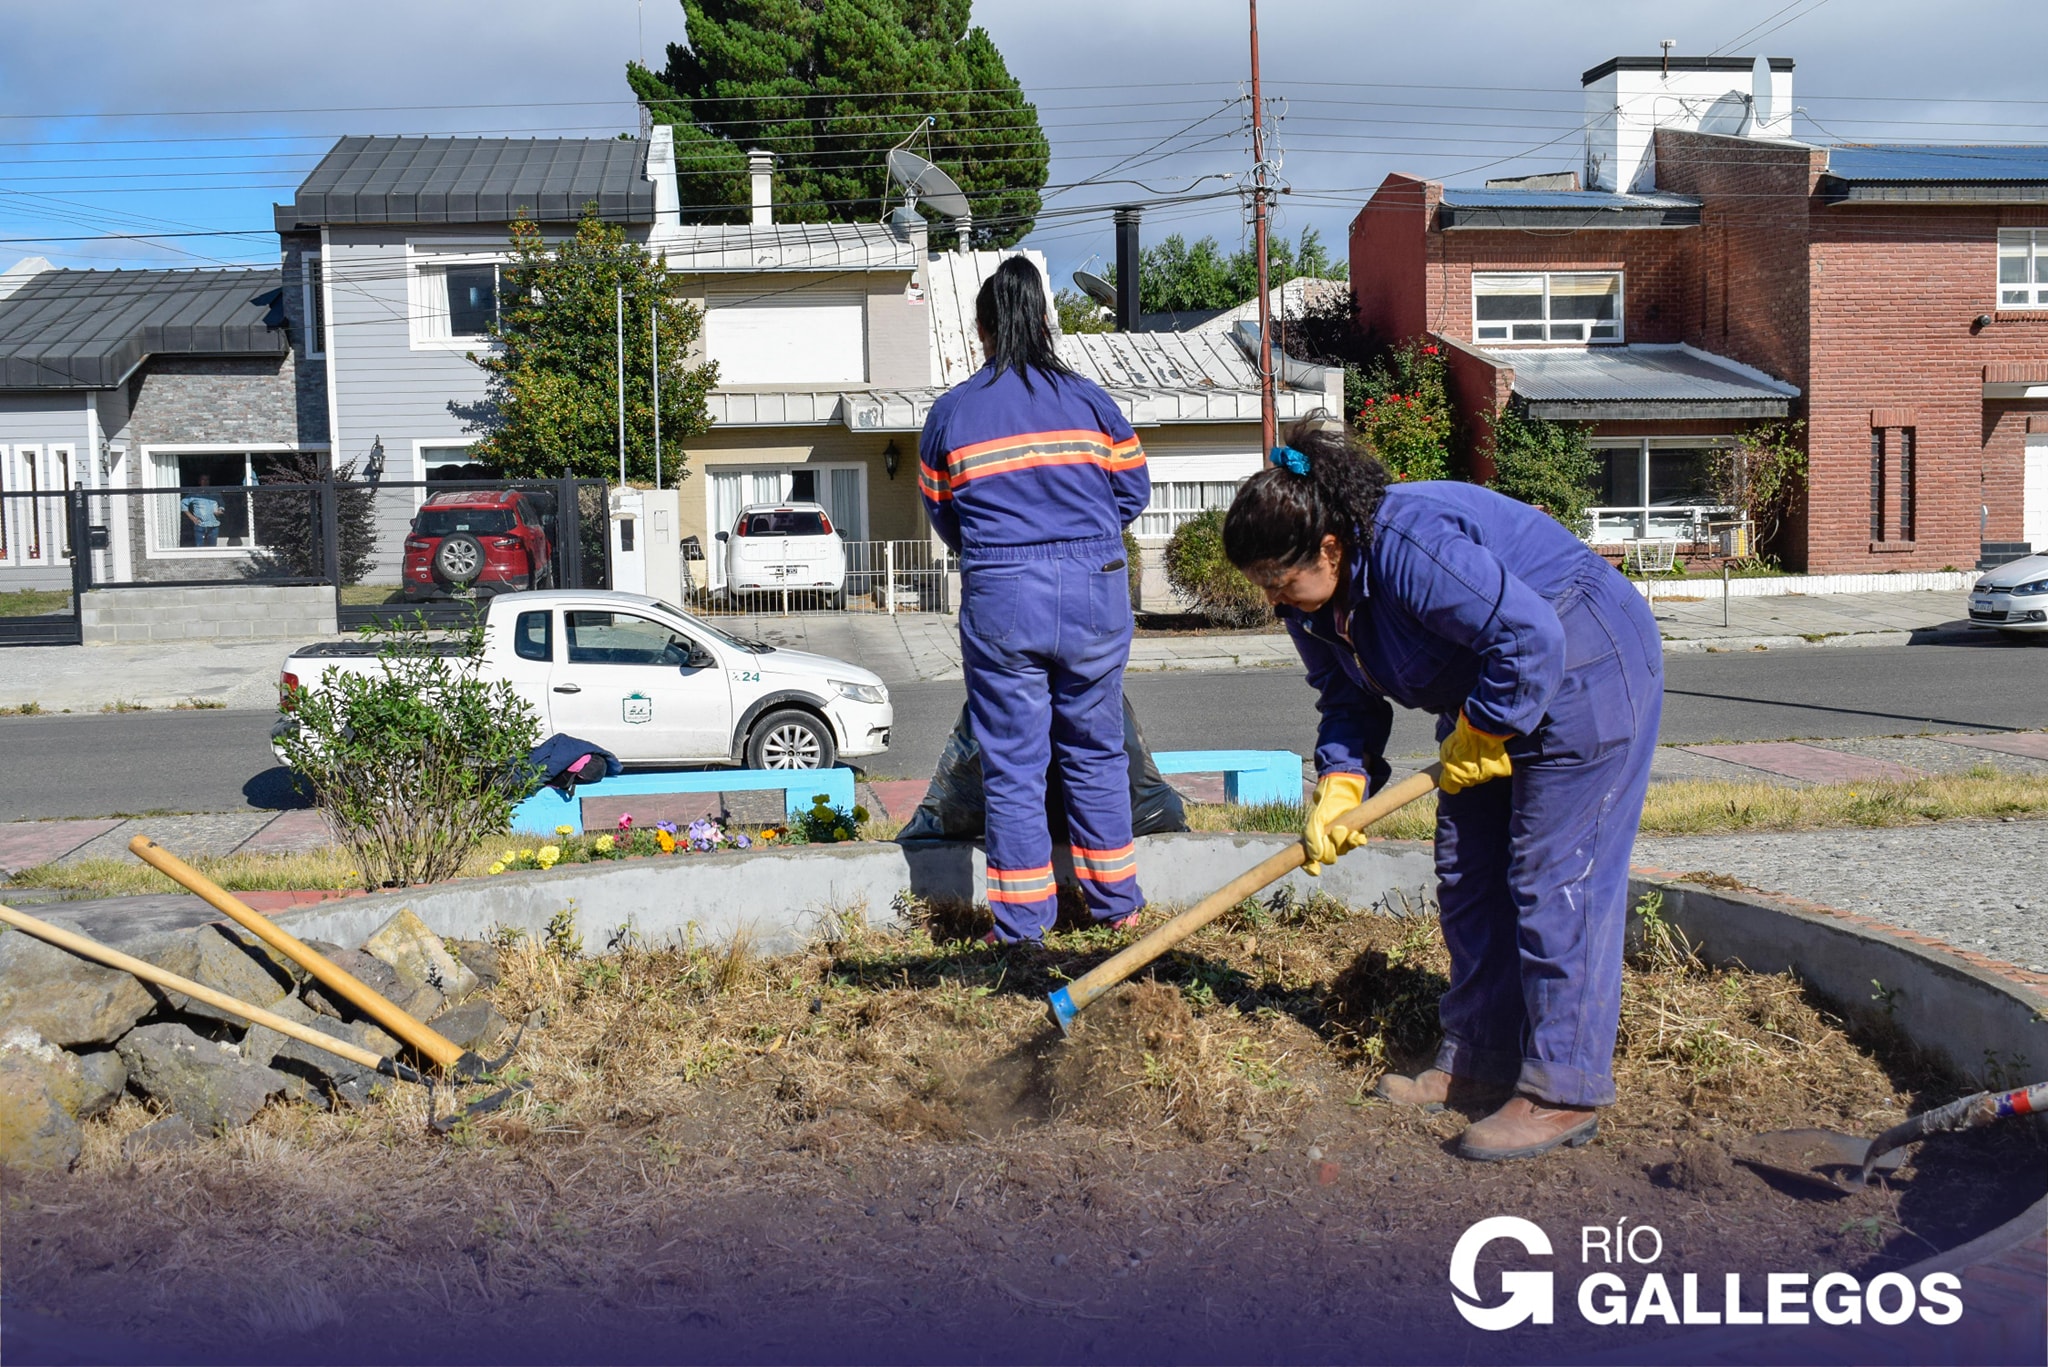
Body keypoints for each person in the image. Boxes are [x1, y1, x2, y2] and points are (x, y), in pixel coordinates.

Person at [1222, 417, 1662, 1162]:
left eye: (1280, 580)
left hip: (1585, 659)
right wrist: (1340, 781)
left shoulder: (1409, 547)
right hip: (1491, 692)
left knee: (1556, 876)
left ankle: (1564, 1089)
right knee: (1468, 871)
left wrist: (1487, 726)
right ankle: (1481, 1053)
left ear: (1329, 547)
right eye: (1263, 583)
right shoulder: (1315, 603)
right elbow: (1347, 699)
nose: (1274, 599)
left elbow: (1530, 637)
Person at [918, 257, 1151, 943]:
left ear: (983, 331)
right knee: (1096, 748)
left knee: (1015, 762)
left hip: (1003, 591)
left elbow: (944, 514)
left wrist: (1003, 549)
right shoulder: (1090, 401)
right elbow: (1132, 492)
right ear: (1048, 321)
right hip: (1094, 587)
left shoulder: (954, 411)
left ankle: (1022, 924)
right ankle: (1118, 905)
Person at [181, 475, 223, 548]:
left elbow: (221, 504)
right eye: (203, 480)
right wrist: (192, 517)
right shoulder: (194, 493)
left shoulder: (215, 493)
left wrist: (220, 510)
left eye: (207, 480)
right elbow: (183, 504)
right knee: (199, 548)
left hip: (214, 524)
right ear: (199, 481)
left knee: (212, 548)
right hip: (200, 524)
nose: (205, 482)